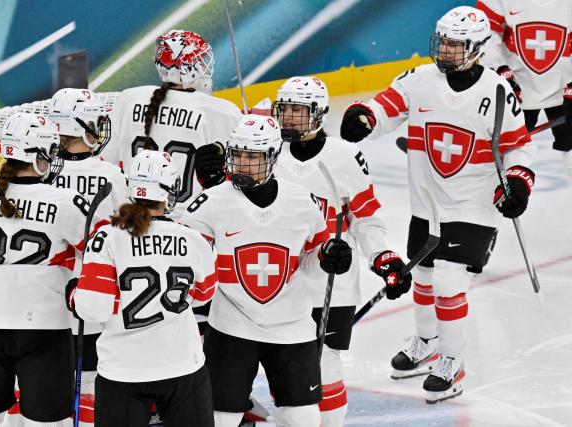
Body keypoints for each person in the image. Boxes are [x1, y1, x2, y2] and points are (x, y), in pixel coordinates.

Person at [340, 6, 535, 403]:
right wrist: (364, 118)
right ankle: (427, 341)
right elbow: (385, 108)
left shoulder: (497, 93)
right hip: (425, 204)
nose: (444, 49)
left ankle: (452, 361)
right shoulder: (418, 80)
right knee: (425, 278)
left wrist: (518, 185)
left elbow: (518, 150)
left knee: (448, 280)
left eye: (455, 44)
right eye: (442, 41)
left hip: (473, 204)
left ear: (478, 48)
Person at [0, 113, 106, 426]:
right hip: (45, 326)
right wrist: (78, 291)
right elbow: (102, 250)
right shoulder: (67, 201)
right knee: (46, 421)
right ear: (37, 155)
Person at [181, 114, 352, 427]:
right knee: (219, 419)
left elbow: (312, 262)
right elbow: (184, 256)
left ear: (273, 157)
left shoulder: (303, 203)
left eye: (252, 156)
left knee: (303, 418)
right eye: (238, 154)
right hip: (231, 327)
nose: (242, 163)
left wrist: (328, 257)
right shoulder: (209, 203)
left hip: (292, 328)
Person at [271, 76, 411, 425]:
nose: (287, 118)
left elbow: (367, 218)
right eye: (284, 109)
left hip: (330, 280)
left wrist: (383, 257)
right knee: (284, 363)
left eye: (297, 111)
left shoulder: (345, 157)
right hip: (276, 277)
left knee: (325, 362)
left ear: (318, 114)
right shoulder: (268, 153)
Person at [68, 150, 216, 427]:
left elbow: (93, 308)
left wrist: (73, 294)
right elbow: (203, 295)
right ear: (169, 192)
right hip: (182, 363)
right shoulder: (193, 239)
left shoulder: (107, 237)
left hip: (123, 369)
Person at [45, 87, 128, 426]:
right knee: (92, 385)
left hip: (44, 303)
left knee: (43, 390)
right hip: (90, 300)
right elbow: (127, 239)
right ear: (79, 126)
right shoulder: (110, 175)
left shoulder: (39, 172)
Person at [104, 29, 241, 217]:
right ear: (187, 70)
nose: (204, 67)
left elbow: (107, 162)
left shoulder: (129, 99)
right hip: (190, 226)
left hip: (133, 222)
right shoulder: (221, 111)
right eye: (200, 62)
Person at [476, 0, 572, 175]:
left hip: (565, 89)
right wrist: (499, 70)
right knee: (502, 161)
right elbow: (487, 31)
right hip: (516, 91)